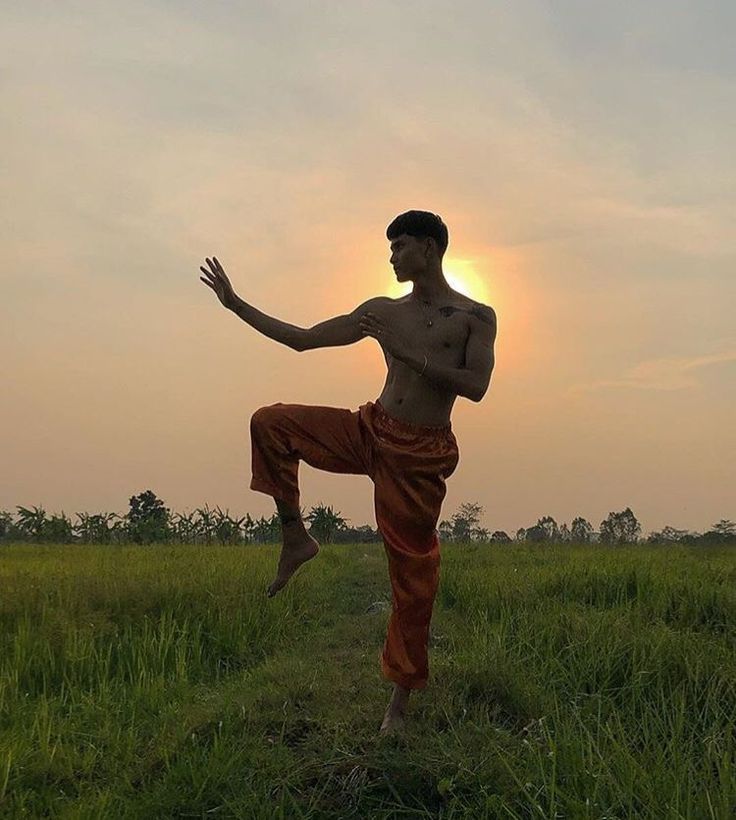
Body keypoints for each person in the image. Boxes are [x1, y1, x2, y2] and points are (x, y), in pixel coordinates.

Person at [199, 210, 496, 735]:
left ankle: (398, 707)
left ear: (428, 248)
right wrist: (235, 304)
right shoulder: (381, 310)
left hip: (420, 455)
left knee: (413, 579)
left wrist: (409, 355)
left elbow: (475, 386)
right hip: (369, 429)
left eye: (399, 246)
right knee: (271, 423)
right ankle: (296, 538)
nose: (391, 256)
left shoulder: (475, 316)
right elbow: (303, 339)